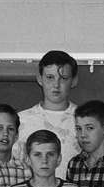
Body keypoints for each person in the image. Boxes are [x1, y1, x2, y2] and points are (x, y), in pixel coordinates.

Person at [17, 50, 80, 179]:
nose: (56, 85)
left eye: (63, 78)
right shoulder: (20, 121)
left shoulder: (85, 121)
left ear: (74, 81)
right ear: (40, 79)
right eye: (50, 77)